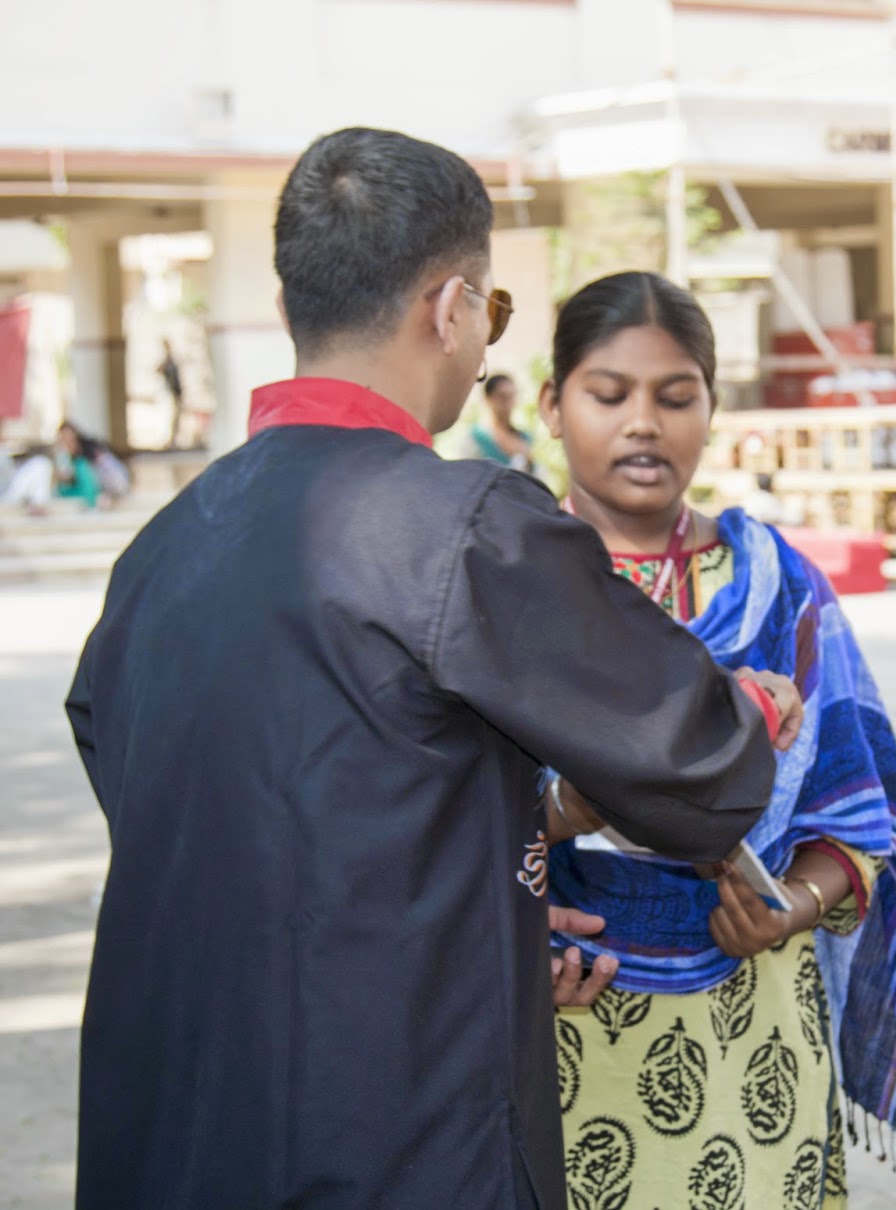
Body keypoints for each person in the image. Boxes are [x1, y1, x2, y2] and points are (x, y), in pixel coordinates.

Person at [65, 128, 802, 1210]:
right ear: (452, 308)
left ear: (290, 308)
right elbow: (697, 760)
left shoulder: (166, 543)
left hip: (177, 1110)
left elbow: (266, 809)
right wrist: (746, 703)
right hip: (384, 1119)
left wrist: (490, 893)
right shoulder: (461, 523)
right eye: (493, 314)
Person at [537, 271, 896, 1207]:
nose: (645, 423)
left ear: (712, 411)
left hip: (755, 1028)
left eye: (676, 398)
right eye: (610, 395)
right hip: (563, 1017)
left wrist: (796, 902)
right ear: (553, 406)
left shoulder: (776, 582)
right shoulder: (502, 581)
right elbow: (436, 812)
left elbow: (858, 796)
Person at [2, 421, 100, 514]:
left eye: (69, 440)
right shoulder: (52, 462)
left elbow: (88, 495)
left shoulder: (80, 465)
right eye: (62, 440)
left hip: (66, 505)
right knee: (41, 464)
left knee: (41, 464)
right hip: (17, 496)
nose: (65, 444)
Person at [471, 372, 534, 469]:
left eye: (511, 396)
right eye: (502, 397)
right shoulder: (476, 438)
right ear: (488, 398)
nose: (508, 404)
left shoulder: (524, 438)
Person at [159, 339, 185, 448]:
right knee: (172, 418)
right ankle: (172, 441)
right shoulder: (167, 362)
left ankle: (174, 441)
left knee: (176, 418)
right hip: (172, 393)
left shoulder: (172, 361)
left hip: (176, 392)